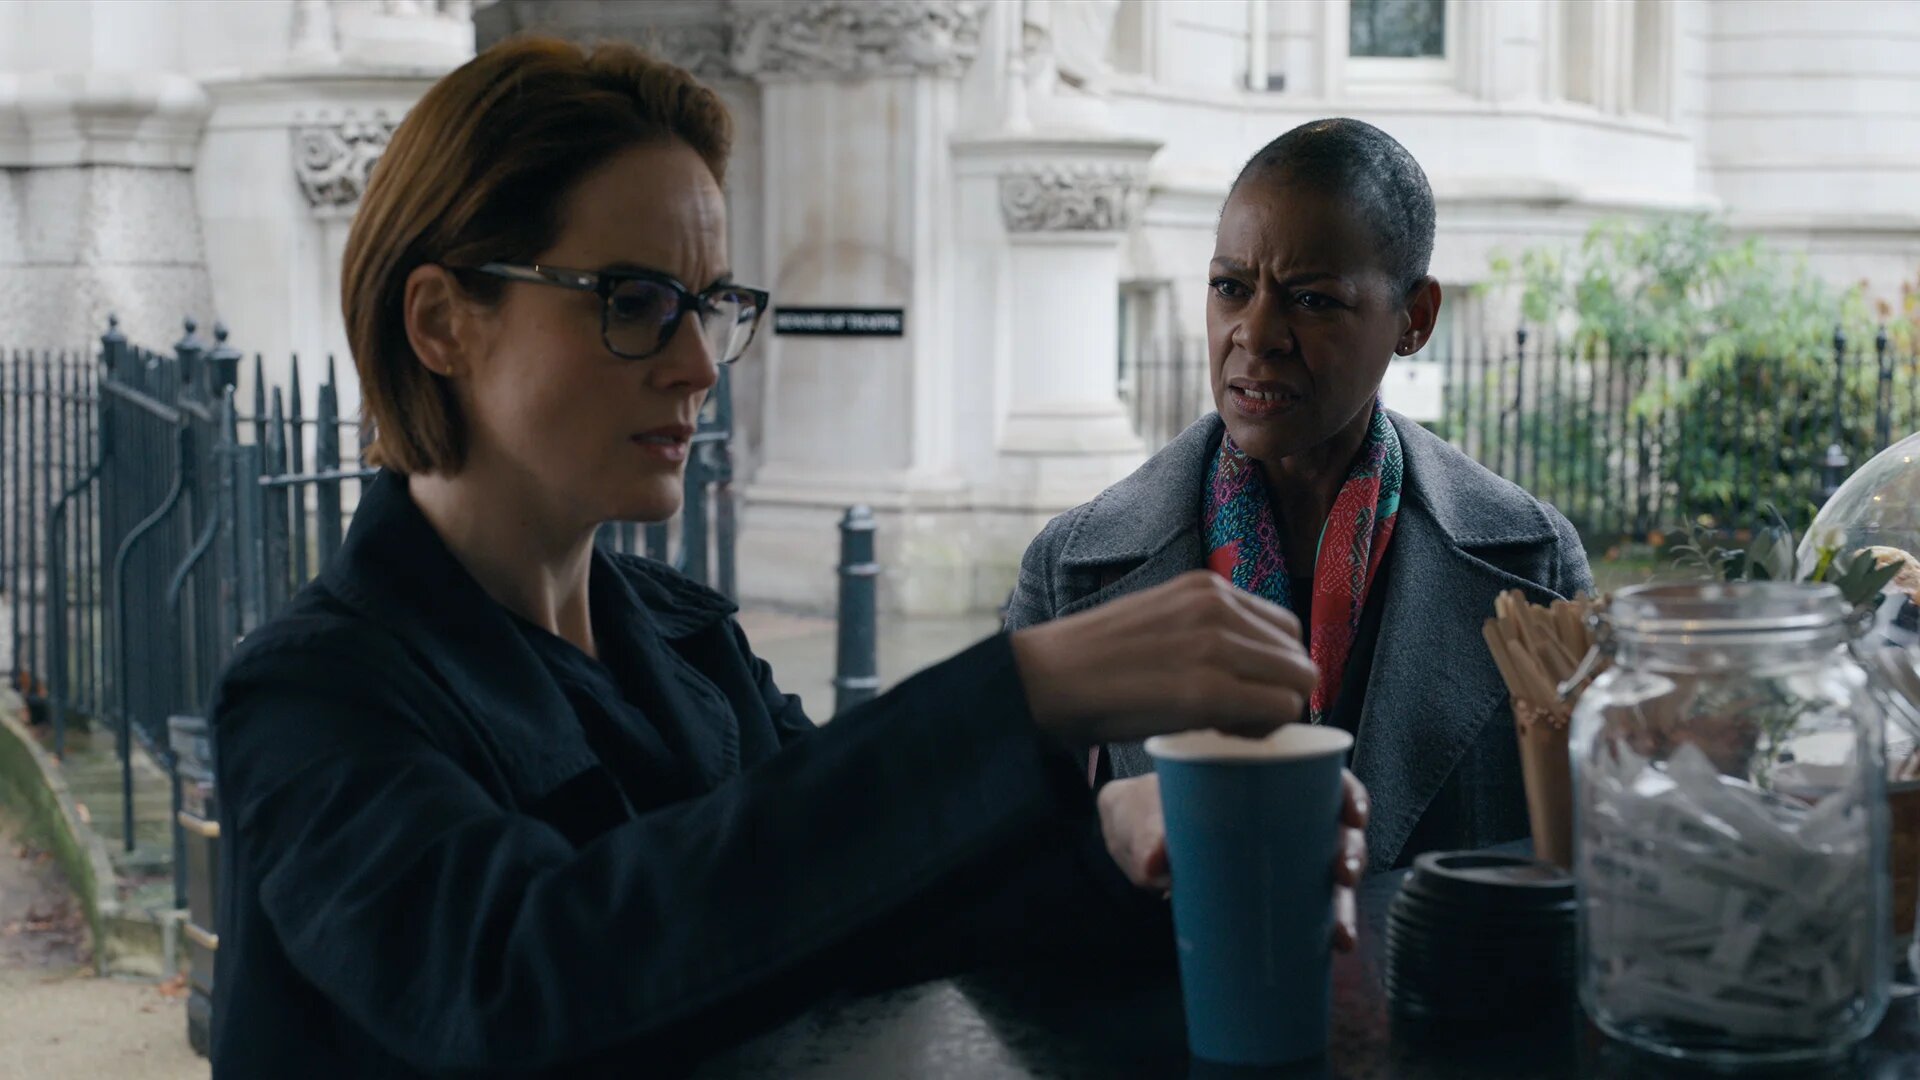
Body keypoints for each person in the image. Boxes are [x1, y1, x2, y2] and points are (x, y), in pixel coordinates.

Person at [206, 38, 1368, 1077]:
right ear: (440, 322)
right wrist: (1026, 690)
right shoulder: (311, 693)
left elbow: (858, 903)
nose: (697, 366)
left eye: (709, 305)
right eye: (635, 301)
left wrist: (1123, 841)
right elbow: (517, 978)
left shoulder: (688, 640)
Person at [1008, 119, 1592, 873]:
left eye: (1311, 300)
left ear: (1415, 319)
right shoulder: (1071, 567)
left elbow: (1585, 851)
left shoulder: (1533, 565)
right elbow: (1001, 866)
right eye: (1231, 288)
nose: (1256, 335)